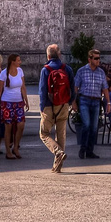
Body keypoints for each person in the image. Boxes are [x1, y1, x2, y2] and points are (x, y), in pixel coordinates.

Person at [37, 44, 72, 172]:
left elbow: (42, 90)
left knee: (44, 133)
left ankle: (57, 151)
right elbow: (72, 89)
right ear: (59, 55)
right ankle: (58, 166)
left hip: (49, 106)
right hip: (63, 104)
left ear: (48, 56)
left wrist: (42, 107)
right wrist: (69, 102)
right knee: (61, 134)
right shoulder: (67, 69)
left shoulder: (45, 70)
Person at [73, 48, 108, 160]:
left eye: (99, 58)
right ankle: (82, 149)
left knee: (94, 127)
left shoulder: (101, 72)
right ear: (90, 59)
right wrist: (73, 102)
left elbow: (105, 88)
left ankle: (90, 151)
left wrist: (109, 102)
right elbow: (75, 87)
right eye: (96, 58)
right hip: (84, 100)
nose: (98, 60)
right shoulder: (82, 71)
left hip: (96, 101)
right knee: (86, 125)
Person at [0, 54, 27, 161]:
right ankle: (8, 151)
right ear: (12, 61)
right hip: (7, 102)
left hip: (18, 102)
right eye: (18, 60)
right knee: (8, 127)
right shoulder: (3, 73)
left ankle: (16, 147)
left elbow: (23, 86)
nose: (20, 62)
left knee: (21, 125)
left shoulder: (20, 71)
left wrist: (26, 99)